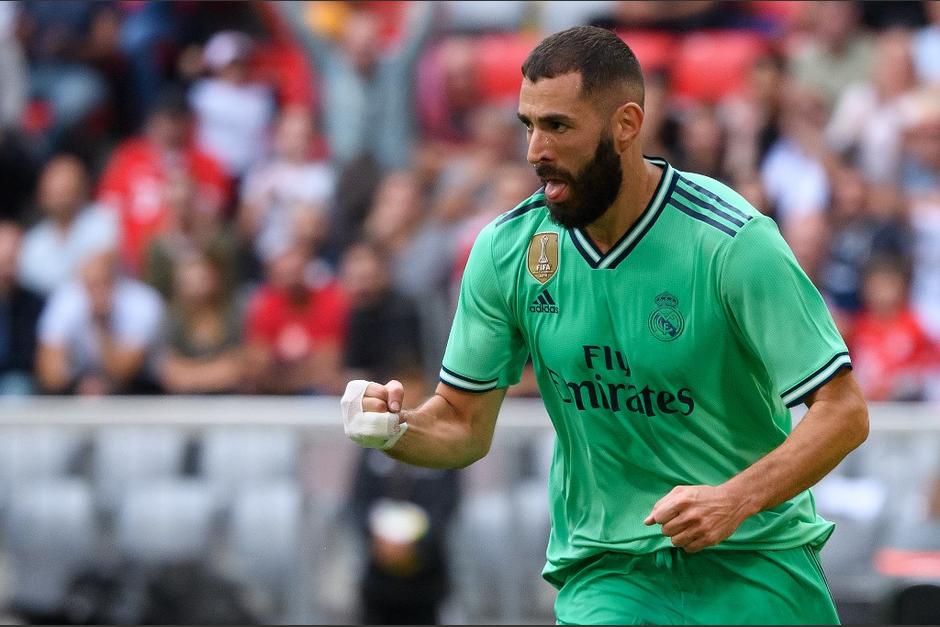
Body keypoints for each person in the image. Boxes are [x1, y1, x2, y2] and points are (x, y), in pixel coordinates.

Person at [340, 27, 869, 625]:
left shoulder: (731, 242)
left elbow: (844, 411)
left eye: (558, 126)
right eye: (528, 124)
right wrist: (394, 427)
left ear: (625, 124)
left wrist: (734, 499)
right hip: (607, 573)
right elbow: (462, 424)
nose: (535, 149)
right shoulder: (508, 251)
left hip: (754, 559)